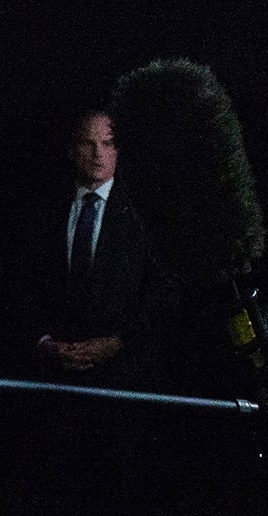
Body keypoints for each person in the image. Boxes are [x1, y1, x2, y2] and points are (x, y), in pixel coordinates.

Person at [33, 109, 177, 390]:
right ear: (72, 150)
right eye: (88, 143)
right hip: (54, 378)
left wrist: (117, 342)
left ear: (118, 151)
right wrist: (45, 343)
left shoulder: (143, 213)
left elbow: (164, 291)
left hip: (126, 378)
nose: (98, 153)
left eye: (107, 144)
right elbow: (27, 284)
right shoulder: (46, 211)